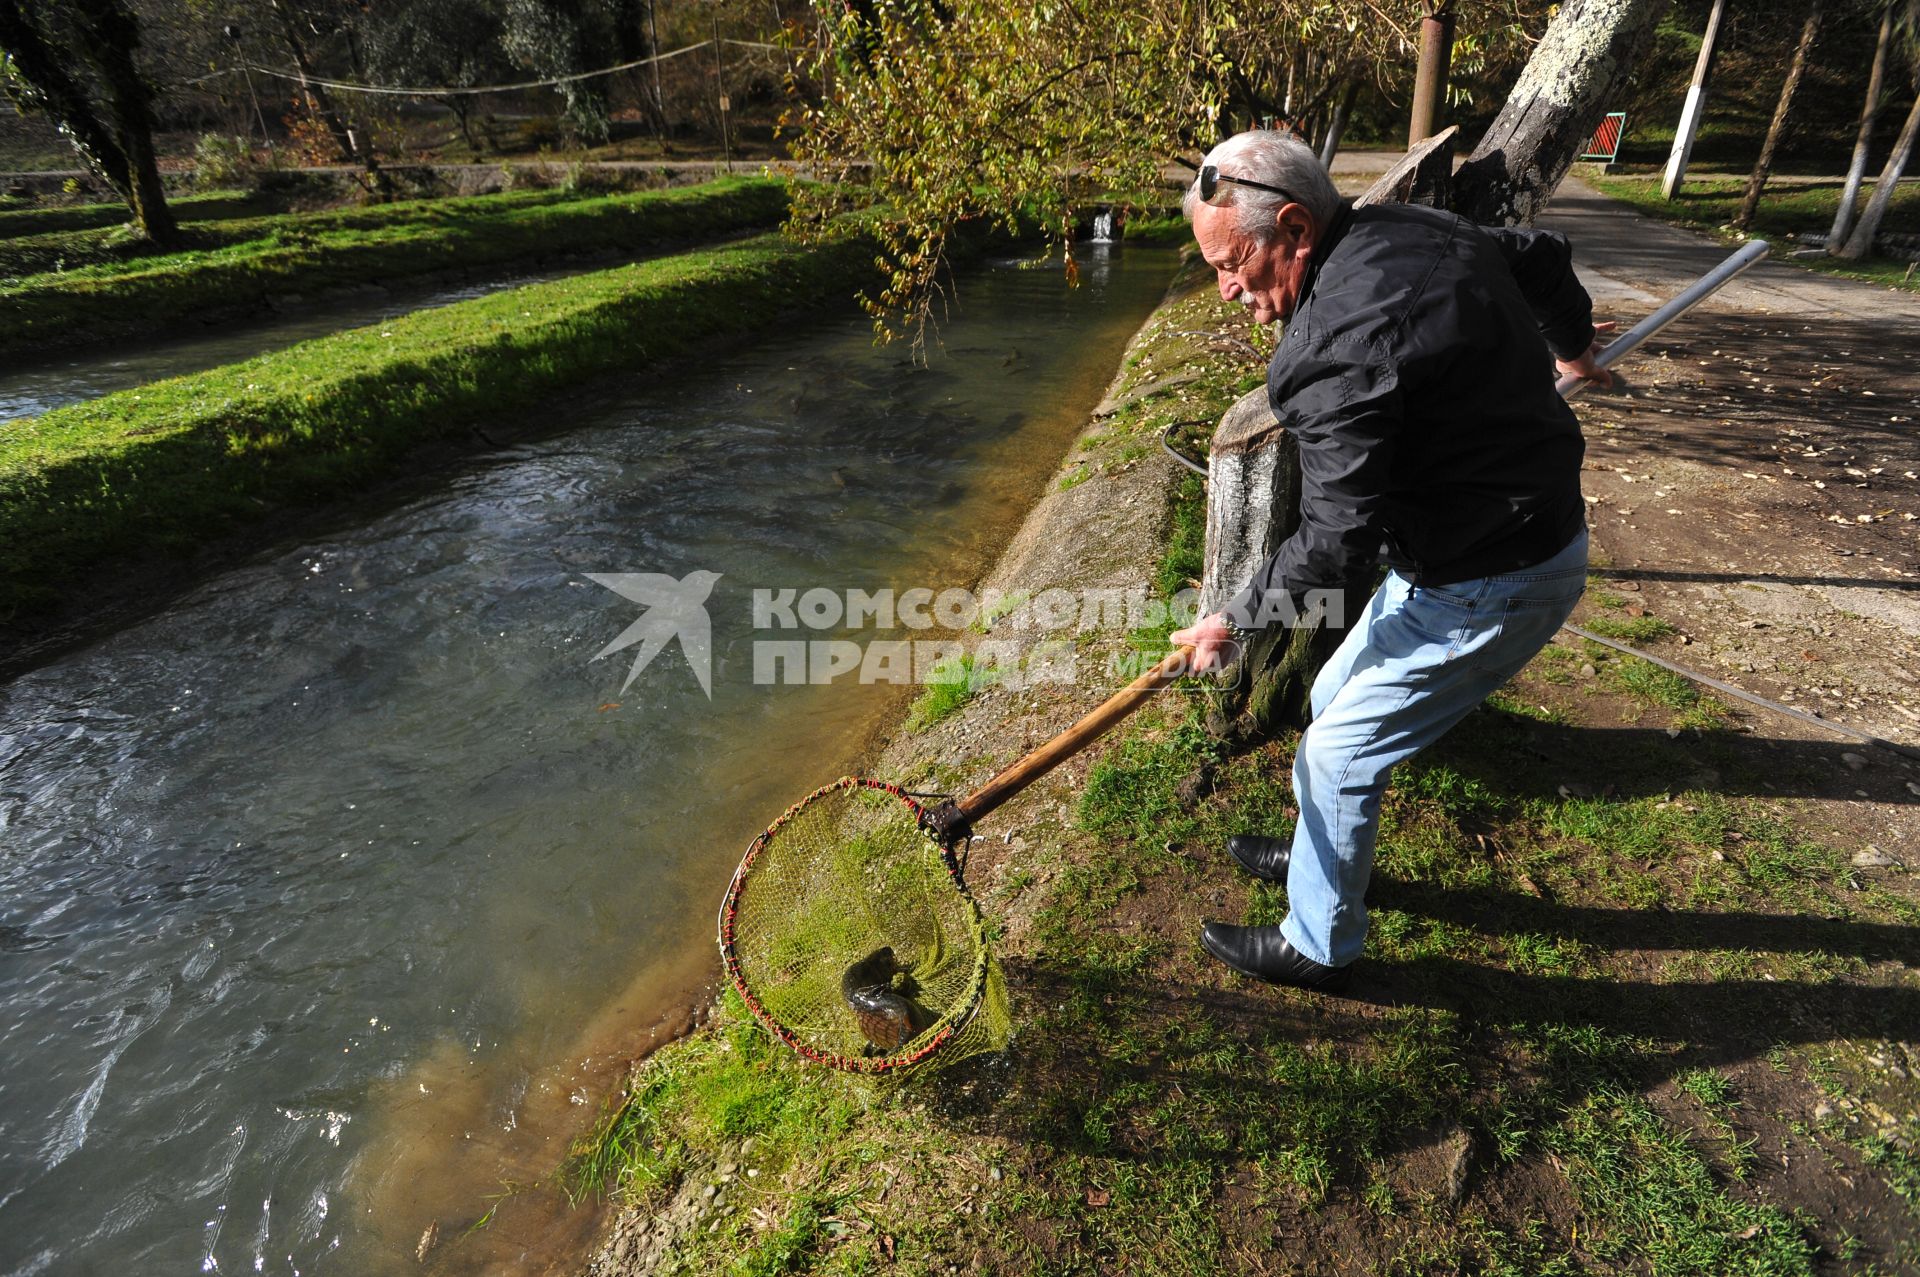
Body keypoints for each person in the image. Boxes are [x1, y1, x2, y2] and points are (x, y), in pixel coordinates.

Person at [1168, 129, 1612, 993]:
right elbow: (1542, 259)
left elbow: (1335, 537)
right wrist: (1574, 347)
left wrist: (1233, 618)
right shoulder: (1413, 227)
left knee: (1339, 752)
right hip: (1461, 540)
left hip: (1499, 572)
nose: (1226, 289)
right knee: (1332, 700)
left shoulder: (1331, 351)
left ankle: (1319, 943)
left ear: (1294, 227)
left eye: (1234, 264)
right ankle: (1315, 852)